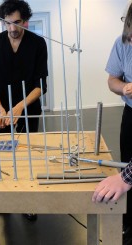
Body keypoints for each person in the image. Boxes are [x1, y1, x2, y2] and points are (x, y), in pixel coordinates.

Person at [92, 2, 132, 244]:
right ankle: (128, 221)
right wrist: (125, 88)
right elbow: (112, 80)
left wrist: (126, 177)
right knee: (127, 159)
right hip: (130, 111)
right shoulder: (122, 42)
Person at [0, 0, 48, 134]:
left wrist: (19, 107)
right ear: (3, 21)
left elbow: (40, 85)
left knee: (28, 149)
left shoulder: (38, 43)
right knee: (3, 149)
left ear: (25, 20)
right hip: (2, 112)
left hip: (30, 109)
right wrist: (1, 109)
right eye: (8, 23)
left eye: (17, 22)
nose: (12, 28)